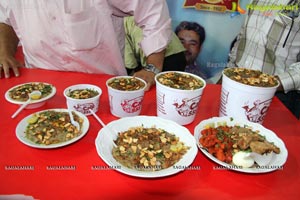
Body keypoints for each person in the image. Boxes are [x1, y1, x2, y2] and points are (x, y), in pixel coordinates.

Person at [0, 0, 173, 90]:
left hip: (100, 88)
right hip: (39, 85)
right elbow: (5, 18)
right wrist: (4, 52)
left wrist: (153, 67)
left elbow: (152, 10)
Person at [226, 0, 300, 119]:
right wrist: (228, 73)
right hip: (236, 86)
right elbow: (242, 38)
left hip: (277, 96)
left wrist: (270, 82)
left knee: (262, 137)